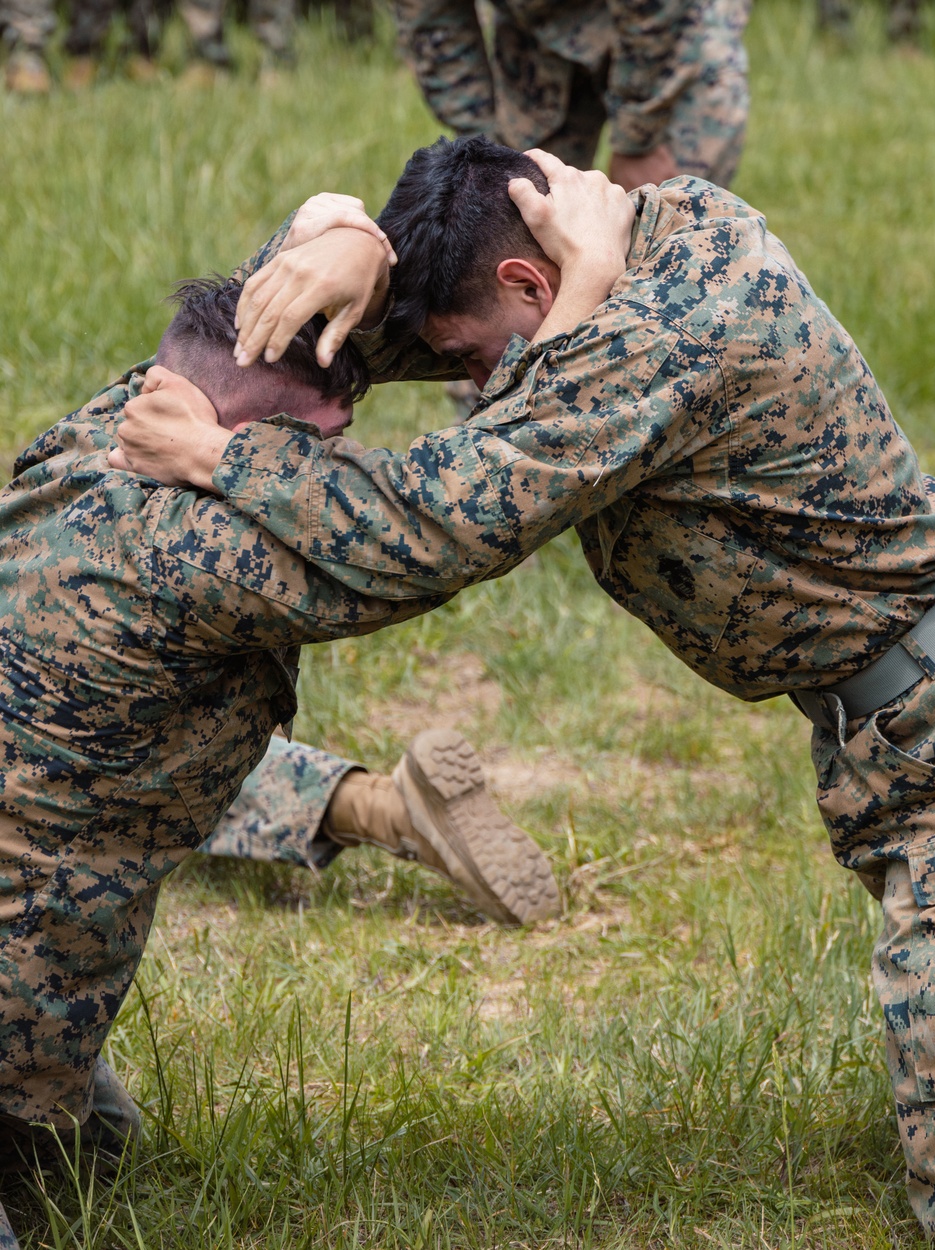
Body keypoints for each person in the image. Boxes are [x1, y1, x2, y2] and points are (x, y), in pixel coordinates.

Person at [116, 136, 935, 1242]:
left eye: (479, 362)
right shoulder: (616, 251)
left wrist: (219, 461)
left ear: (533, 281)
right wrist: (340, 237)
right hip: (904, 741)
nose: (471, 383)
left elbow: (440, 520)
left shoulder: (681, 320)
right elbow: (308, 338)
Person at [0, 190, 581, 1243]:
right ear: (236, 438)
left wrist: (347, 235)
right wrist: (587, 311)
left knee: (96, 1145)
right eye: (317, 443)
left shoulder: (130, 412)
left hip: (61, 875)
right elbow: (429, 538)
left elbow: (278, 284)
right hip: (25, 957)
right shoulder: (204, 550)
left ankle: (374, 808)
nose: (333, 455)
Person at [394, 0, 752, 191]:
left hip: (674, 30)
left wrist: (639, 138)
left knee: (666, 215)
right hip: (540, 29)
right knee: (518, 206)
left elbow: (656, 14)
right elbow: (433, 21)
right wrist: (485, 150)